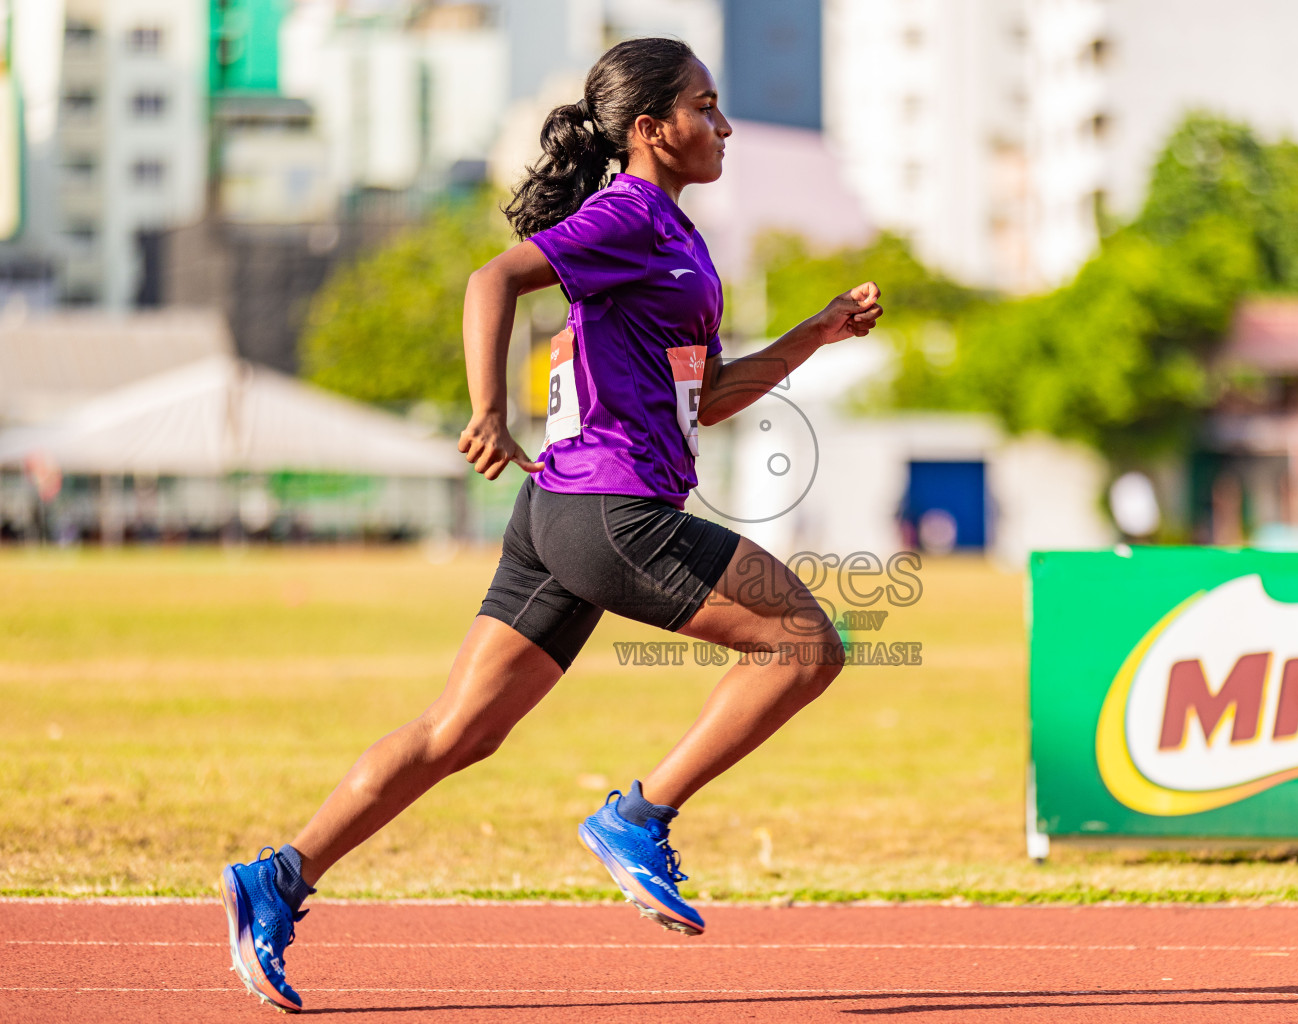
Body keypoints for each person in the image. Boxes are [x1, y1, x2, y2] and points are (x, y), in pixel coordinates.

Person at [219, 36, 883, 1013]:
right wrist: (487, 407)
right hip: (613, 513)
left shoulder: (675, 234)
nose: (726, 124)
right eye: (707, 106)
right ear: (652, 129)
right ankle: (638, 814)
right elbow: (492, 280)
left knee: (457, 733)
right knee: (804, 642)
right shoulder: (626, 216)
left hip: (562, 514)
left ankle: (278, 874)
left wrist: (815, 335)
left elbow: (707, 397)